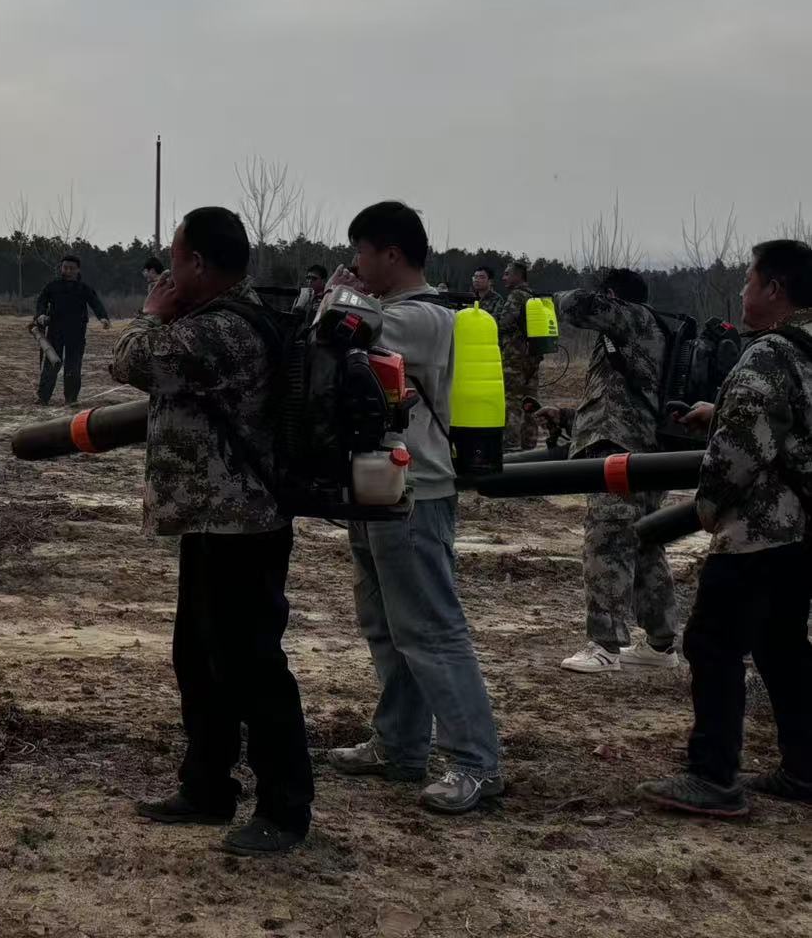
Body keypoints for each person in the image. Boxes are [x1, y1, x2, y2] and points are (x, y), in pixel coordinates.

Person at [112, 207, 314, 855]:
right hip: (211, 520)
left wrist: (150, 311)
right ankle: (205, 787)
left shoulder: (228, 329)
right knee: (199, 660)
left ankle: (285, 809)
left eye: (174, 260)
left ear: (197, 262)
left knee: (253, 668)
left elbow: (132, 361)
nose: (167, 273)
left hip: (242, 525)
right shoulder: (216, 321)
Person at [326, 201, 505, 815]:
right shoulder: (393, 312)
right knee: (386, 625)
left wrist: (336, 299)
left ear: (392, 254)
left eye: (361, 253)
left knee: (430, 629)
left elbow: (338, 338)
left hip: (414, 492)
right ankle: (400, 744)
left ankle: (476, 762)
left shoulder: (421, 317)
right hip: (377, 486)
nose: (356, 265)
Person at [639, 240, 812, 817]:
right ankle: (804, 767)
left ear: (775, 289)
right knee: (782, 645)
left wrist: (707, 506)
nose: (742, 291)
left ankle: (713, 776)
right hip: (802, 533)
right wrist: (721, 410)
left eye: (748, 280)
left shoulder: (769, 354)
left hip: (759, 532)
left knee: (712, 643)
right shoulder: (804, 349)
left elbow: (739, 452)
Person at [532, 269, 679, 674]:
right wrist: (567, 417)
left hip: (624, 455)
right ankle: (661, 644)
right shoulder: (630, 336)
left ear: (613, 297)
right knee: (644, 543)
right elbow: (618, 403)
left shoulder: (635, 319)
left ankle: (605, 645)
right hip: (637, 450)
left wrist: (545, 296)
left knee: (607, 541)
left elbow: (579, 305)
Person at [35, 255, 111, 405]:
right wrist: (41, 314)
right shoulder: (52, 286)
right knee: (51, 364)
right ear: (61, 268)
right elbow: (41, 301)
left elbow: (95, 303)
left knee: (73, 366)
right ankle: (43, 397)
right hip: (55, 330)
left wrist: (103, 317)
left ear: (78, 270)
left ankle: (71, 399)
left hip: (77, 332)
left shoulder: (84, 288)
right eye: (65, 268)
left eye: (72, 268)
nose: (68, 271)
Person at [496, 260, 543, 450]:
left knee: (511, 401)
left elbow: (505, 322)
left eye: (507, 274)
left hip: (514, 358)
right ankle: (529, 444)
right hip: (533, 357)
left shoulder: (516, 296)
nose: (503, 278)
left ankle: (510, 444)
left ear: (518, 276)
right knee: (530, 402)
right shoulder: (534, 297)